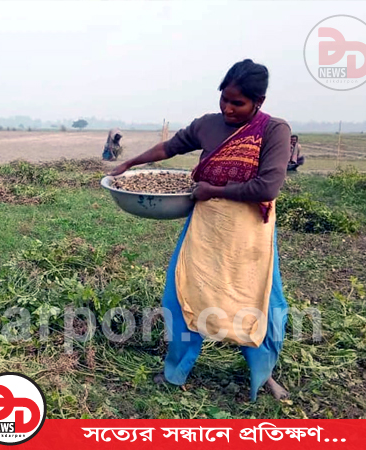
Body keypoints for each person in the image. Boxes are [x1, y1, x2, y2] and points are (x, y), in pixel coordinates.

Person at [109, 59, 292, 401]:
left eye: (238, 103)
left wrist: (214, 191)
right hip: (206, 226)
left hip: (250, 232)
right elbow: (171, 146)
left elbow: (268, 187)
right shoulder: (208, 125)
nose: (228, 108)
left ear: (259, 102)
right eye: (224, 99)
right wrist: (130, 162)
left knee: (262, 303)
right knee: (180, 296)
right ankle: (176, 372)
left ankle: (263, 374)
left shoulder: (273, 130)